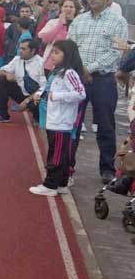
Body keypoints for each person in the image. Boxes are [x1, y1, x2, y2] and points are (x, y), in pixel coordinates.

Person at [68, 0, 129, 182]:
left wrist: (89, 68)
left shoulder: (117, 22)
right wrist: (78, 69)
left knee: (105, 125)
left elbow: (115, 53)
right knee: (72, 123)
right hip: (78, 79)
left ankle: (107, 169)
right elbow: (71, 46)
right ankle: (67, 165)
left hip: (103, 80)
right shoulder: (80, 20)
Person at [27, 40, 87, 196]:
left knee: (57, 154)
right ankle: (61, 183)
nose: (52, 55)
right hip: (53, 119)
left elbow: (80, 94)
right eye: (52, 51)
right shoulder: (56, 71)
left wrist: (57, 96)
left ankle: (50, 185)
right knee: (59, 152)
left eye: (56, 52)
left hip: (62, 121)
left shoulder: (69, 73)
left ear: (67, 55)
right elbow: (47, 87)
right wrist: (40, 94)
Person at [0, 38, 45, 123]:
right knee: (2, 80)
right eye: (20, 48)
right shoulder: (17, 59)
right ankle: (2, 115)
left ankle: (37, 117)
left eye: (23, 49)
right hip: (22, 93)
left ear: (33, 51)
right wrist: (7, 74)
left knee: (38, 103)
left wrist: (26, 101)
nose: (20, 51)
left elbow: (43, 88)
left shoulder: (41, 63)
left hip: (35, 96)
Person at [38, 0, 80, 72]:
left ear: (76, 10)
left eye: (71, 7)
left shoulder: (79, 24)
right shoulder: (53, 22)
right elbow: (45, 39)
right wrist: (60, 24)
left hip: (69, 65)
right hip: (50, 65)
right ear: (61, 8)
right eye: (65, 6)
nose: (68, 9)